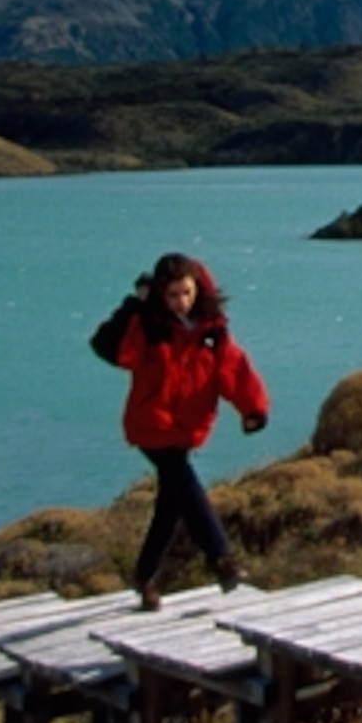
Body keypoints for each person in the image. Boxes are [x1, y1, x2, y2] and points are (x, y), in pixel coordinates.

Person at [102, 252, 270, 611]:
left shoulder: (212, 332)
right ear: (160, 293)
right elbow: (109, 348)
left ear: (199, 289)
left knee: (171, 504)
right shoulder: (147, 325)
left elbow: (234, 371)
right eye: (173, 294)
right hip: (151, 423)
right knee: (186, 483)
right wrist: (134, 306)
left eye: (187, 293)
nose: (181, 301)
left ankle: (145, 578)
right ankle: (221, 559)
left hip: (187, 427)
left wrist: (253, 409)